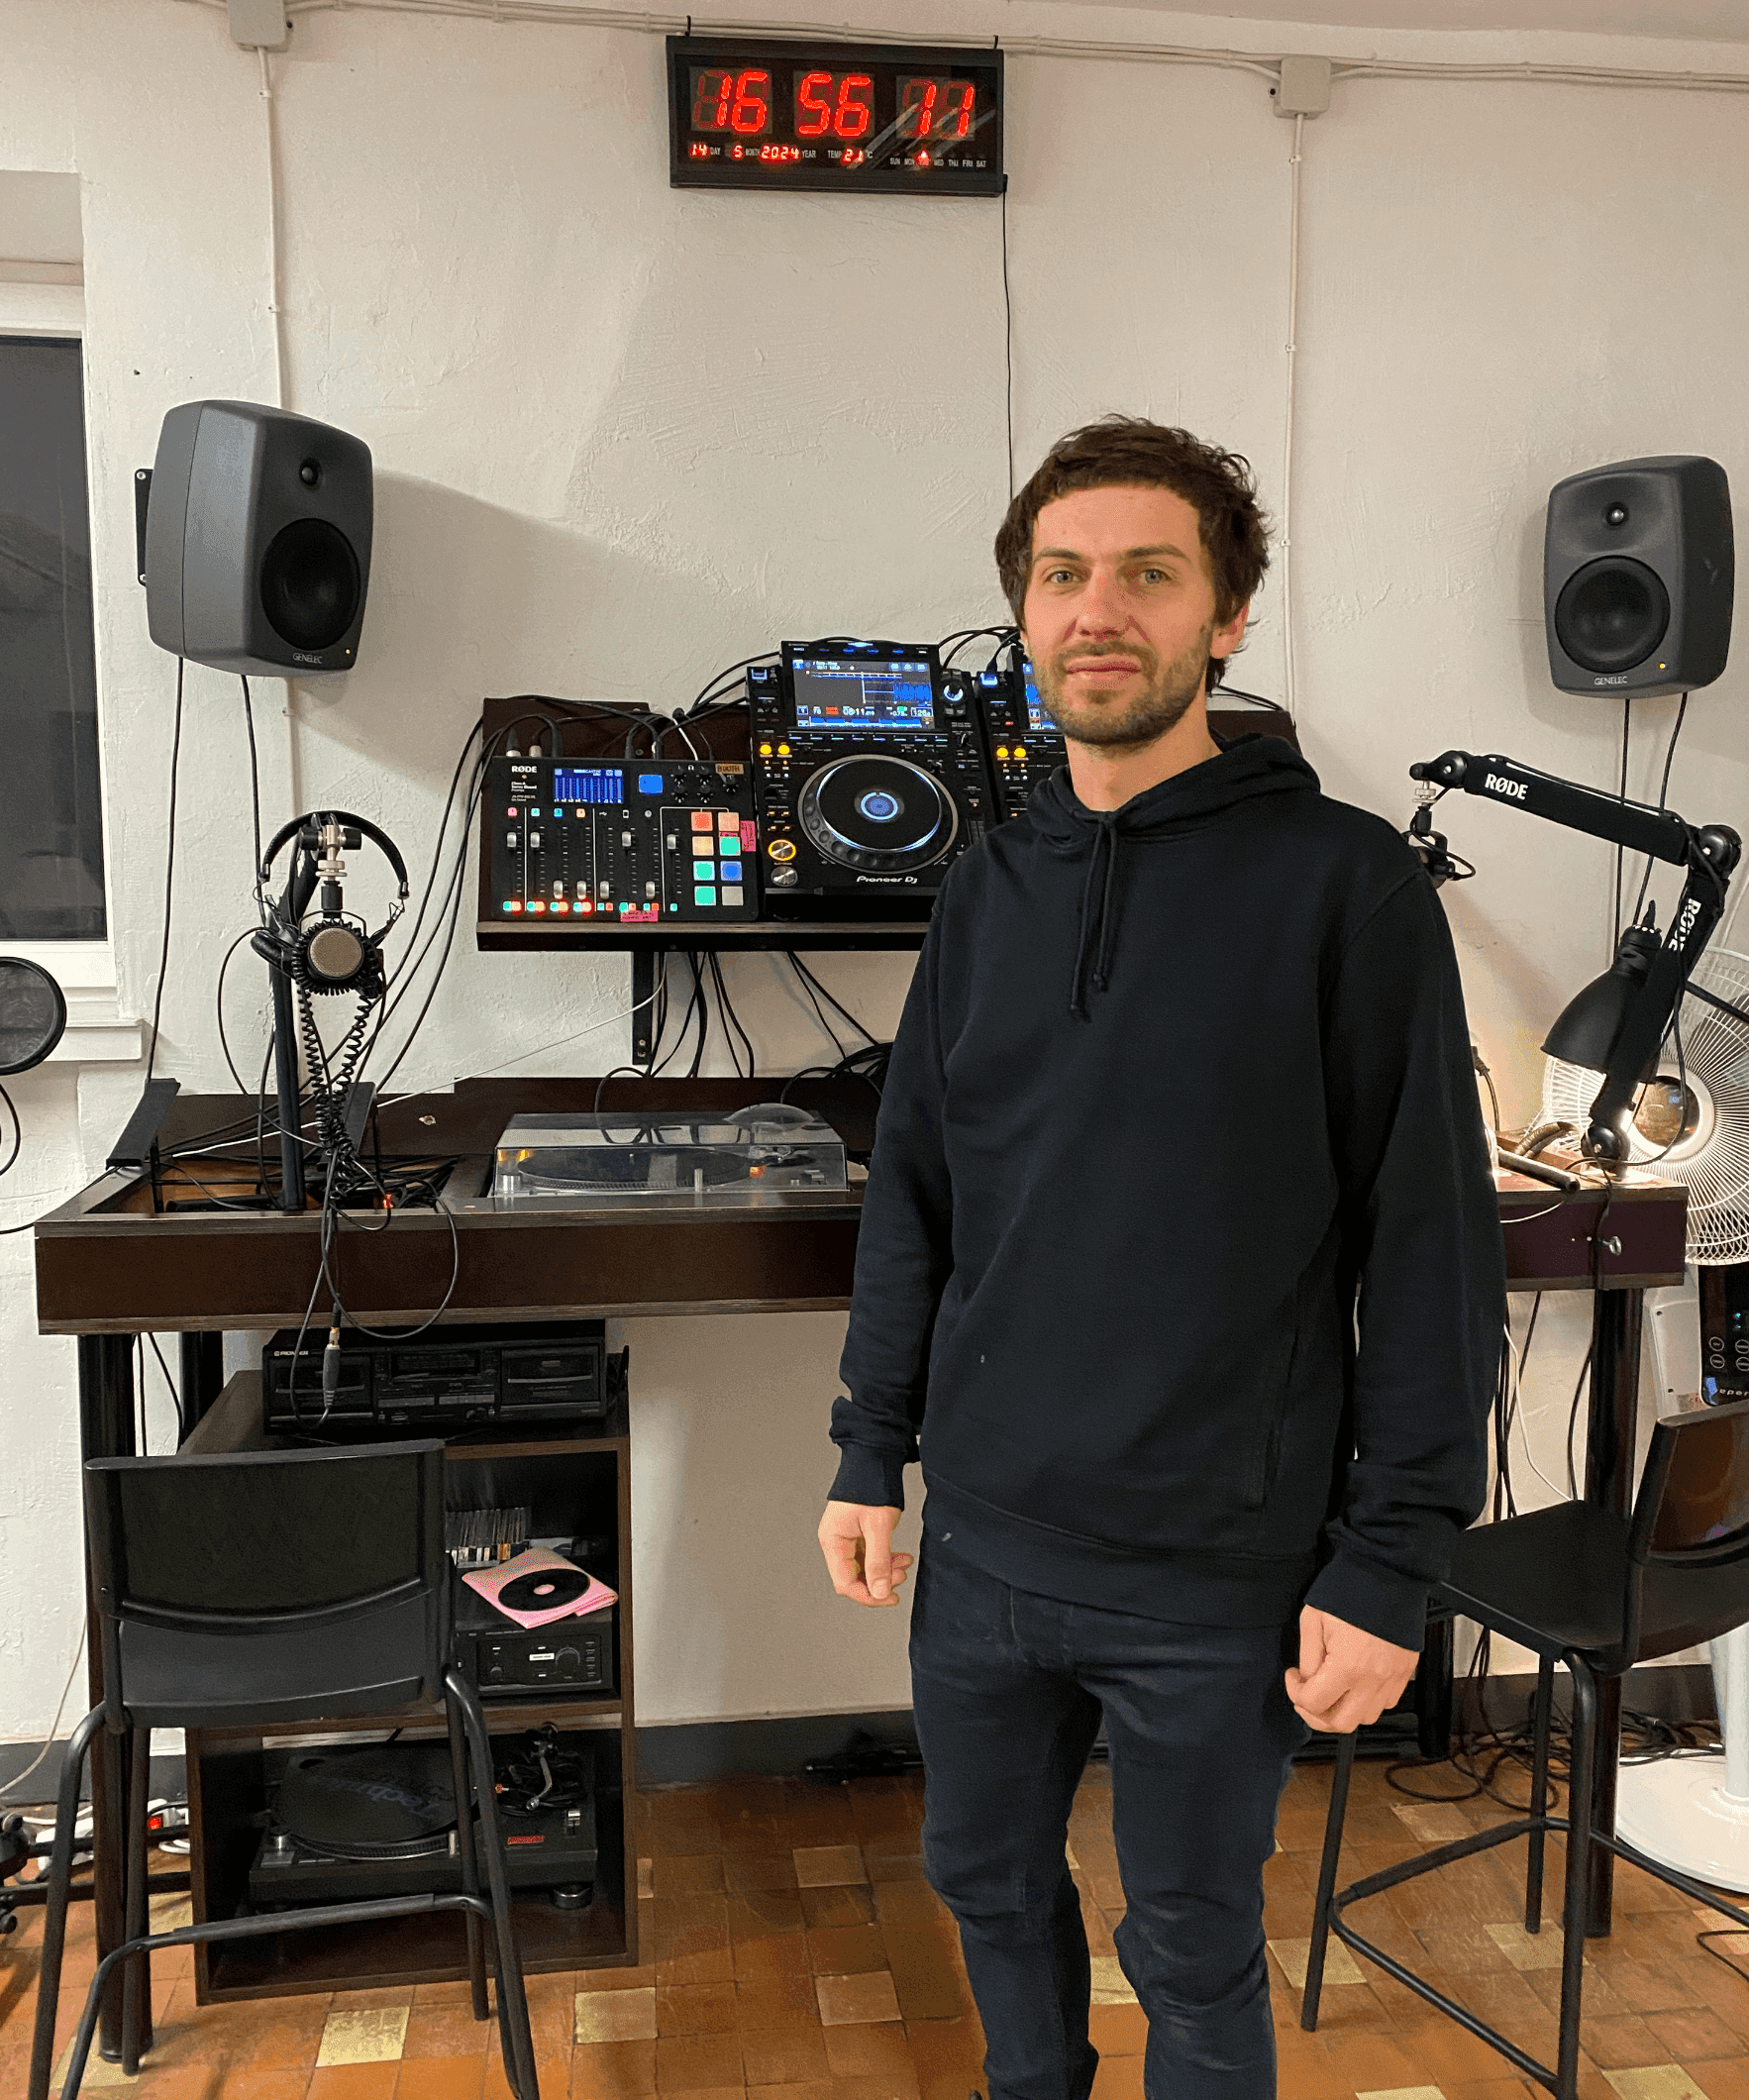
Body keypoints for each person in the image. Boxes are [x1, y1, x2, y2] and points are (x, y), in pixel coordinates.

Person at [816, 415, 1504, 2100]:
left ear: (1226, 616)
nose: (1097, 610)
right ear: (1023, 615)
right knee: (981, 1885)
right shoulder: (986, 888)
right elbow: (916, 1194)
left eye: (1146, 573)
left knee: (1191, 1947)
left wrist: (1390, 1562)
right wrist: (868, 1448)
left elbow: (1429, 1248)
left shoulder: (1345, 888)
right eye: (1062, 575)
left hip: (1217, 1564)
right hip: (984, 1541)